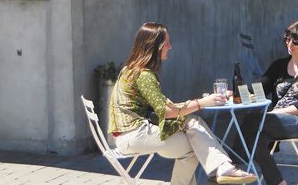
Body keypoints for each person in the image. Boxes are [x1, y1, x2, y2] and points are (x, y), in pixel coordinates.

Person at [109, 22, 257, 185]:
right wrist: (202, 103)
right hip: (133, 136)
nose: (170, 47)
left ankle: (222, 167)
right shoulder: (143, 75)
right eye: (167, 43)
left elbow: (166, 105)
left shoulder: (132, 69)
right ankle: (222, 167)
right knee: (196, 142)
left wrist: (205, 100)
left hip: (131, 135)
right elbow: (167, 111)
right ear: (154, 46)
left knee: (194, 132)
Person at [242, 20, 298, 185]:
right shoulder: (279, 65)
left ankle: (232, 163)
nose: (290, 44)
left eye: (295, 41)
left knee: (252, 121)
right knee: (255, 139)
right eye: (287, 39)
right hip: (275, 121)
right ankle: (278, 182)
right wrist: (235, 92)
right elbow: (260, 87)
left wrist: (275, 113)